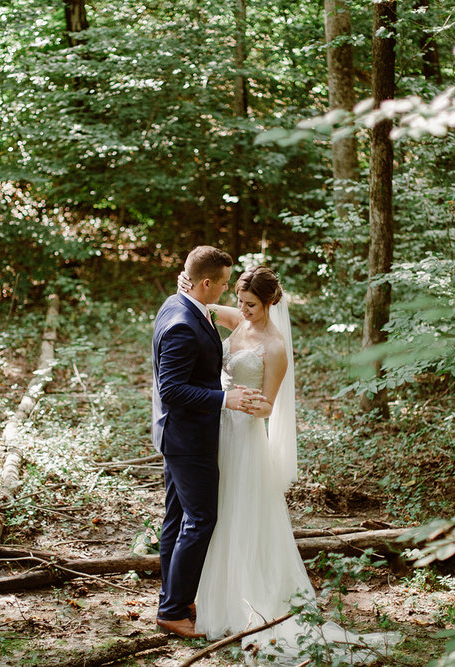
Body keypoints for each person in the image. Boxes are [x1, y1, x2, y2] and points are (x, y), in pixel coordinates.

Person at [180, 265, 402, 664]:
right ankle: (207, 593)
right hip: (218, 427)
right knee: (212, 511)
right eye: (241, 303)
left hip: (244, 435)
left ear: (268, 303)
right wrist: (186, 285)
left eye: (250, 305)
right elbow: (207, 307)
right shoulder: (237, 318)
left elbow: (269, 406)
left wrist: (243, 401)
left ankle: (245, 600)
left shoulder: (276, 346)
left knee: (239, 513)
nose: (242, 310)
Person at [151, 246, 262, 640]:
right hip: (188, 437)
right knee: (200, 520)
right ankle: (172, 609)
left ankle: (175, 597)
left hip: (178, 434)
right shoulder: (183, 323)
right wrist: (224, 398)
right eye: (225, 282)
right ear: (206, 283)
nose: (229, 289)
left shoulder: (177, 304)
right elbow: (172, 389)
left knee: (178, 518)